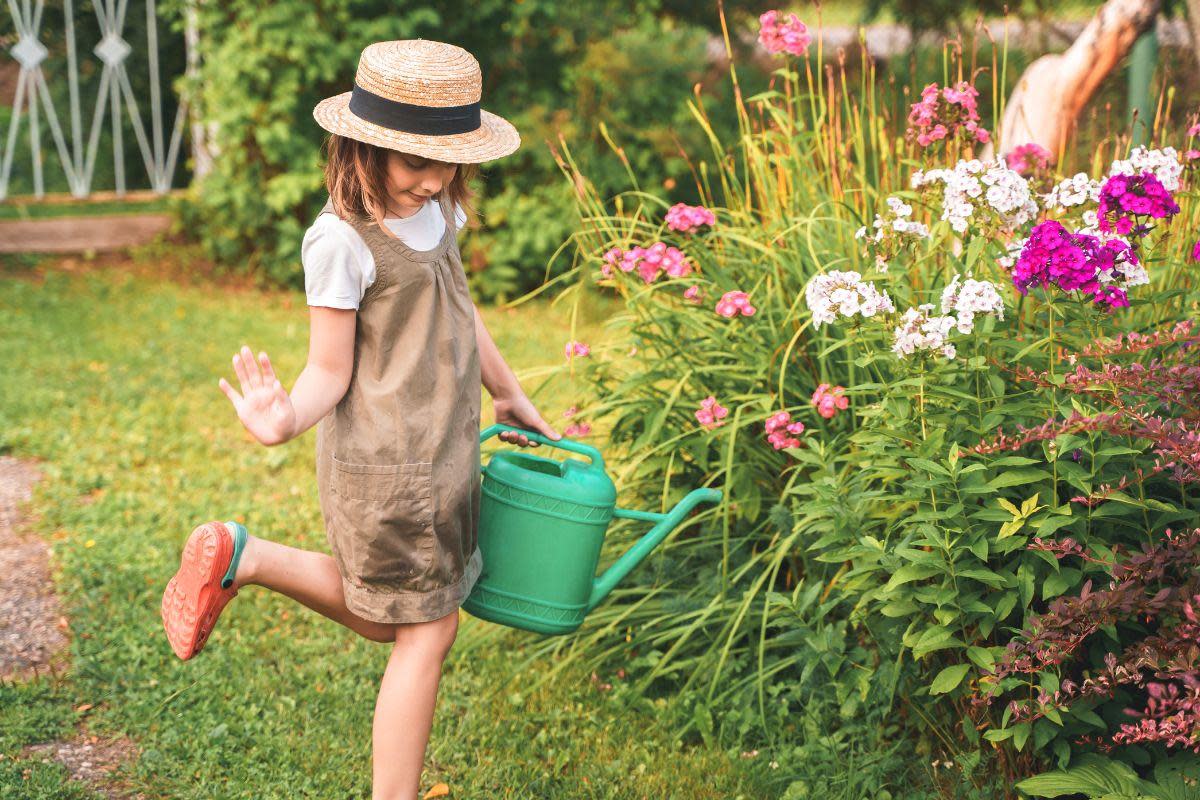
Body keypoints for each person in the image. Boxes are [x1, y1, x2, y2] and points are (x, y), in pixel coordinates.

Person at [160, 39, 560, 800]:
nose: (435, 178)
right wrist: (282, 421)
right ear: (363, 145)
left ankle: (246, 555)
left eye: (448, 161)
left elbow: (462, 316)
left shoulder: (439, 209)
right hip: (390, 471)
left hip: (446, 453)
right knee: (425, 630)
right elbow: (329, 370)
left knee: (395, 621)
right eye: (417, 162)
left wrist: (508, 393)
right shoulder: (341, 240)